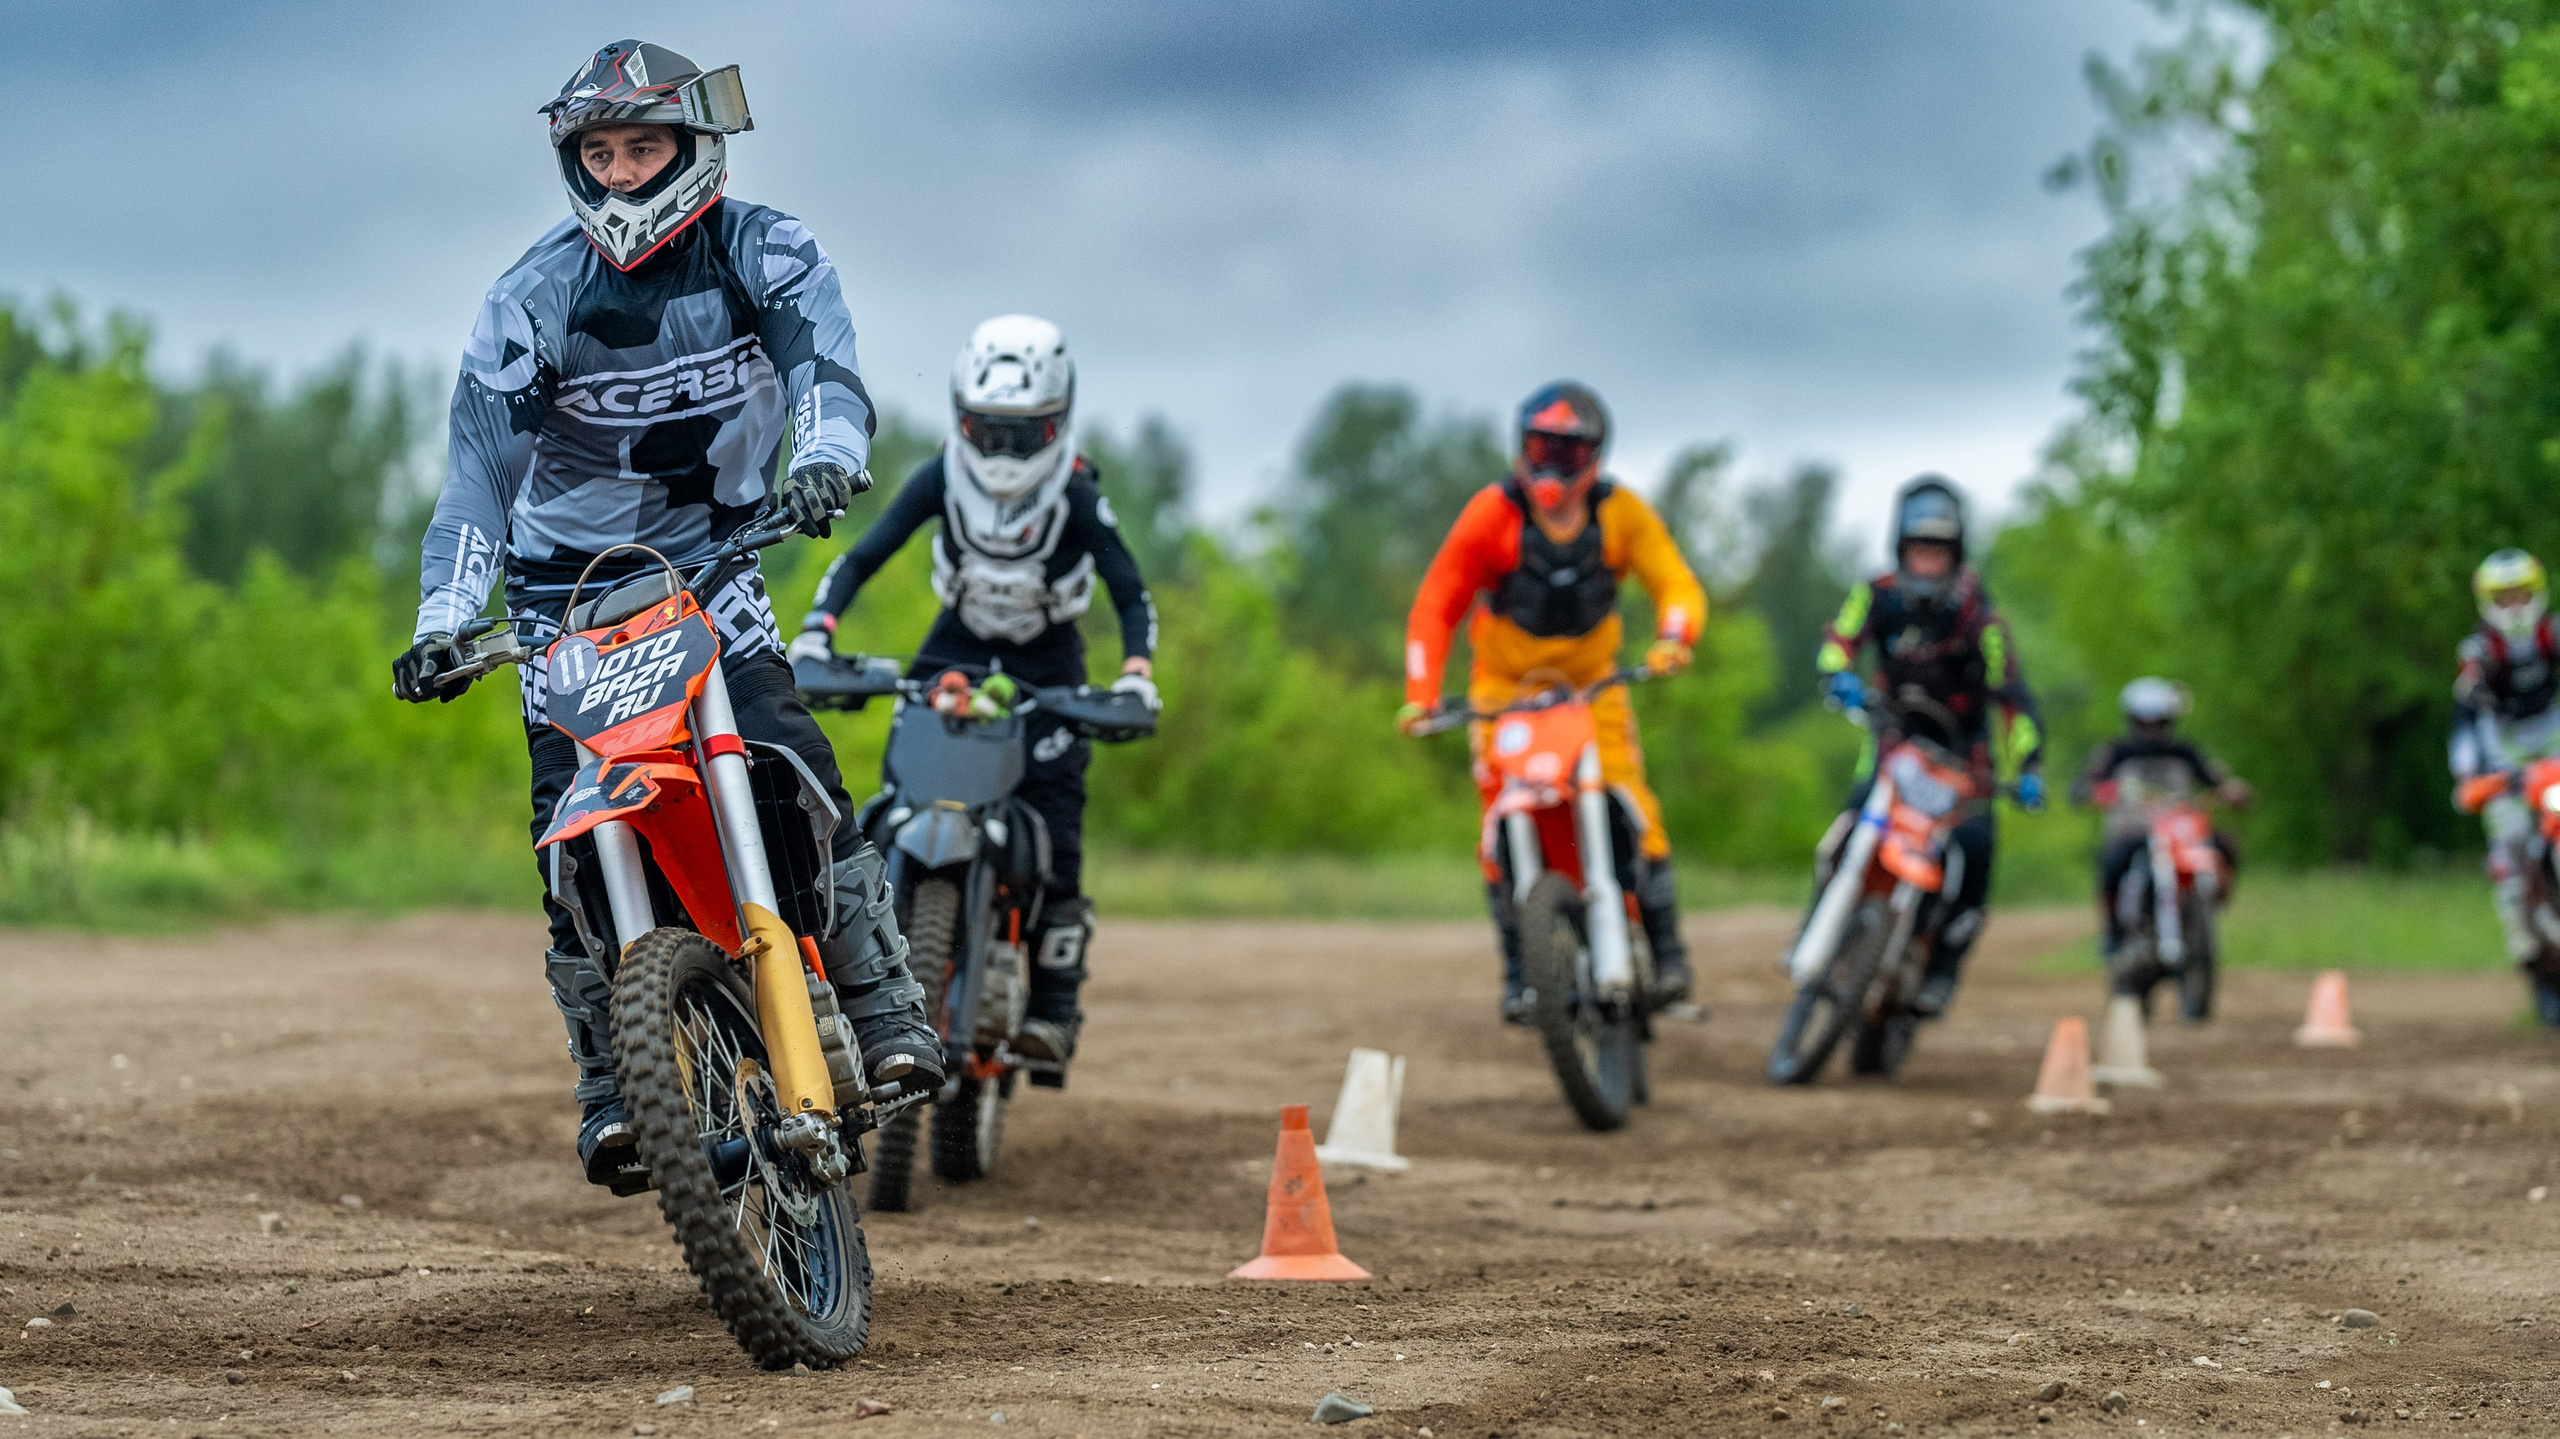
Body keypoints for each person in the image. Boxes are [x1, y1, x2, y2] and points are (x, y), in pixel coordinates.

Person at [389, 40, 941, 1190]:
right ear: (575, 164)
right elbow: (474, 481)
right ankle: (611, 1075)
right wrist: (446, 616)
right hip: (565, 597)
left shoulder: (771, 251)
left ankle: (882, 1001)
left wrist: (828, 458)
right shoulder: (530, 297)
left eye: (645, 147)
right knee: (567, 833)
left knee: (792, 755)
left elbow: (825, 376)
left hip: (711, 563)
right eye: (601, 152)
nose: (625, 173)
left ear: (695, 148)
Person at [792, 314, 1158, 1079]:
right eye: (986, 431)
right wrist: (819, 630)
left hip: (1051, 662)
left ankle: (1054, 1008)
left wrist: (1135, 673)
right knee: (893, 800)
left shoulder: (1078, 491)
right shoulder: (938, 476)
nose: (1002, 451)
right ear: (962, 417)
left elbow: (1129, 591)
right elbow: (864, 553)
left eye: (1022, 435)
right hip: (952, 648)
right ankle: (862, 980)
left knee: (1058, 828)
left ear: (1056, 425)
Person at [1398, 381, 1707, 1021]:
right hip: (1505, 695)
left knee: (1634, 809)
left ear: (1594, 459)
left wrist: (1675, 636)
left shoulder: (1622, 514)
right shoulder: (1491, 515)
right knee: (1500, 825)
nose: (1551, 466)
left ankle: (1668, 954)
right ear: (1519, 450)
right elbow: (1436, 605)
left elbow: (1674, 580)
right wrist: (1420, 694)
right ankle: (1520, 972)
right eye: (1540, 447)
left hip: (1594, 690)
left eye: (1567, 453)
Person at [1811, 475, 2043, 1017]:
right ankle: (1822, 926)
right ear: (1901, 549)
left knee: (1977, 852)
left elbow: (2014, 701)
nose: (1926, 564)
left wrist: (2029, 764)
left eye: (1937, 554)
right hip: (1895, 746)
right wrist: (1838, 674)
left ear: (1956, 555)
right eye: (1919, 551)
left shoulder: (1980, 619)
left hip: (1965, 764)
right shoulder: (1877, 595)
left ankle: (1942, 969)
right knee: (1849, 827)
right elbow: (1838, 642)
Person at [2071, 677, 2249, 965]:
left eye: (2160, 723)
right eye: (2146, 723)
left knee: (2224, 846)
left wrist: (2233, 791)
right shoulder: (2116, 752)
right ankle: (2114, 930)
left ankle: (2206, 910)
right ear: (2133, 721)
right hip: (2134, 832)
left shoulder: (2186, 751)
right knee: (2111, 864)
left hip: (2182, 833)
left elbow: (2219, 779)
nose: (2153, 731)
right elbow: (2083, 785)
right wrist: (2094, 791)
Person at [2449, 548, 2560, 1008]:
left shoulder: (2555, 636)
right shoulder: (2476, 653)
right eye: (2504, 596)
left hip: (2556, 747)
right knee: (2508, 847)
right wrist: (2468, 773)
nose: (2513, 604)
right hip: (2505, 758)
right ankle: (2526, 944)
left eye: (2521, 594)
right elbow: (2464, 720)